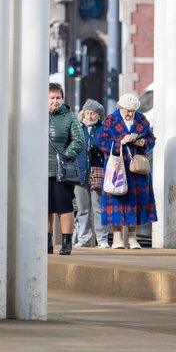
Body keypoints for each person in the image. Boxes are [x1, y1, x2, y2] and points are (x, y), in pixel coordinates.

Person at [98, 92, 157, 249]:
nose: (130, 113)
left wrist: (143, 142)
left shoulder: (142, 119)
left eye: (132, 110)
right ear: (120, 108)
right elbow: (101, 141)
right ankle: (117, 237)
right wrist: (120, 142)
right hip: (117, 166)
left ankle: (132, 238)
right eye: (127, 110)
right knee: (116, 200)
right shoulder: (111, 120)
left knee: (135, 201)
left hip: (136, 168)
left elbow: (152, 140)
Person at [48, 83, 83, 255]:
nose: (55, 101)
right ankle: (46, 242)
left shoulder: (69, 116)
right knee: (44, 208)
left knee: (64, 207)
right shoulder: (37, 115)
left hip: (61, 170)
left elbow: (79, 141)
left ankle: (66, 243)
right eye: (52, 98)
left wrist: (65, 156)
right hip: (40, 170)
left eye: (58, 98)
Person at [74, 99, 110, 248]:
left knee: (99, 207)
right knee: (82, 208)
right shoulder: (76, 128)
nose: (89, 116)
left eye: (93, 114)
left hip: (98, 169)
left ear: (98, 116)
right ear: (82, 114)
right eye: (87, 113)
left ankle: (102, 239)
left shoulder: (103, 129)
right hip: (80, 170)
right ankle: (84, 239)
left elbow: (106, 147)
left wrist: (95, 147)